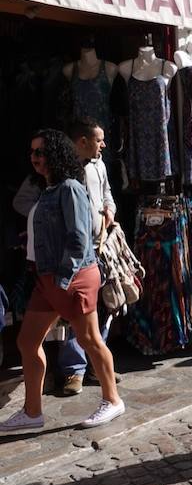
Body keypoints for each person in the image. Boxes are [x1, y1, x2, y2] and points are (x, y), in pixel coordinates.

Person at [0, 129, 124, 431]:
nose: (34, 158)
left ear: (55, 154)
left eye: (40, 152)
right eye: (32, 153)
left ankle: (112, 400)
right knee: (27, 342)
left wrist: (64, 279)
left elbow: (80, 238)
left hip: (73, 276)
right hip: (46, 278)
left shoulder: (69, 187)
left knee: (89, 340)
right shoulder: (47, 190)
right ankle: (32, 412)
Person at [55, 120, 119, 396]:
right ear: (82, 141)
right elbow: (27, 201)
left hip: (100, 247)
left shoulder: (99, 166)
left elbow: (107, 195)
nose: (103, 145)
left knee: (101, 309)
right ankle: (73, 370)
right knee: (74, 313)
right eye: (99, 140)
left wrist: (109, 209)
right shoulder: (61, 171)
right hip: (74, 252)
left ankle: (96, 364)